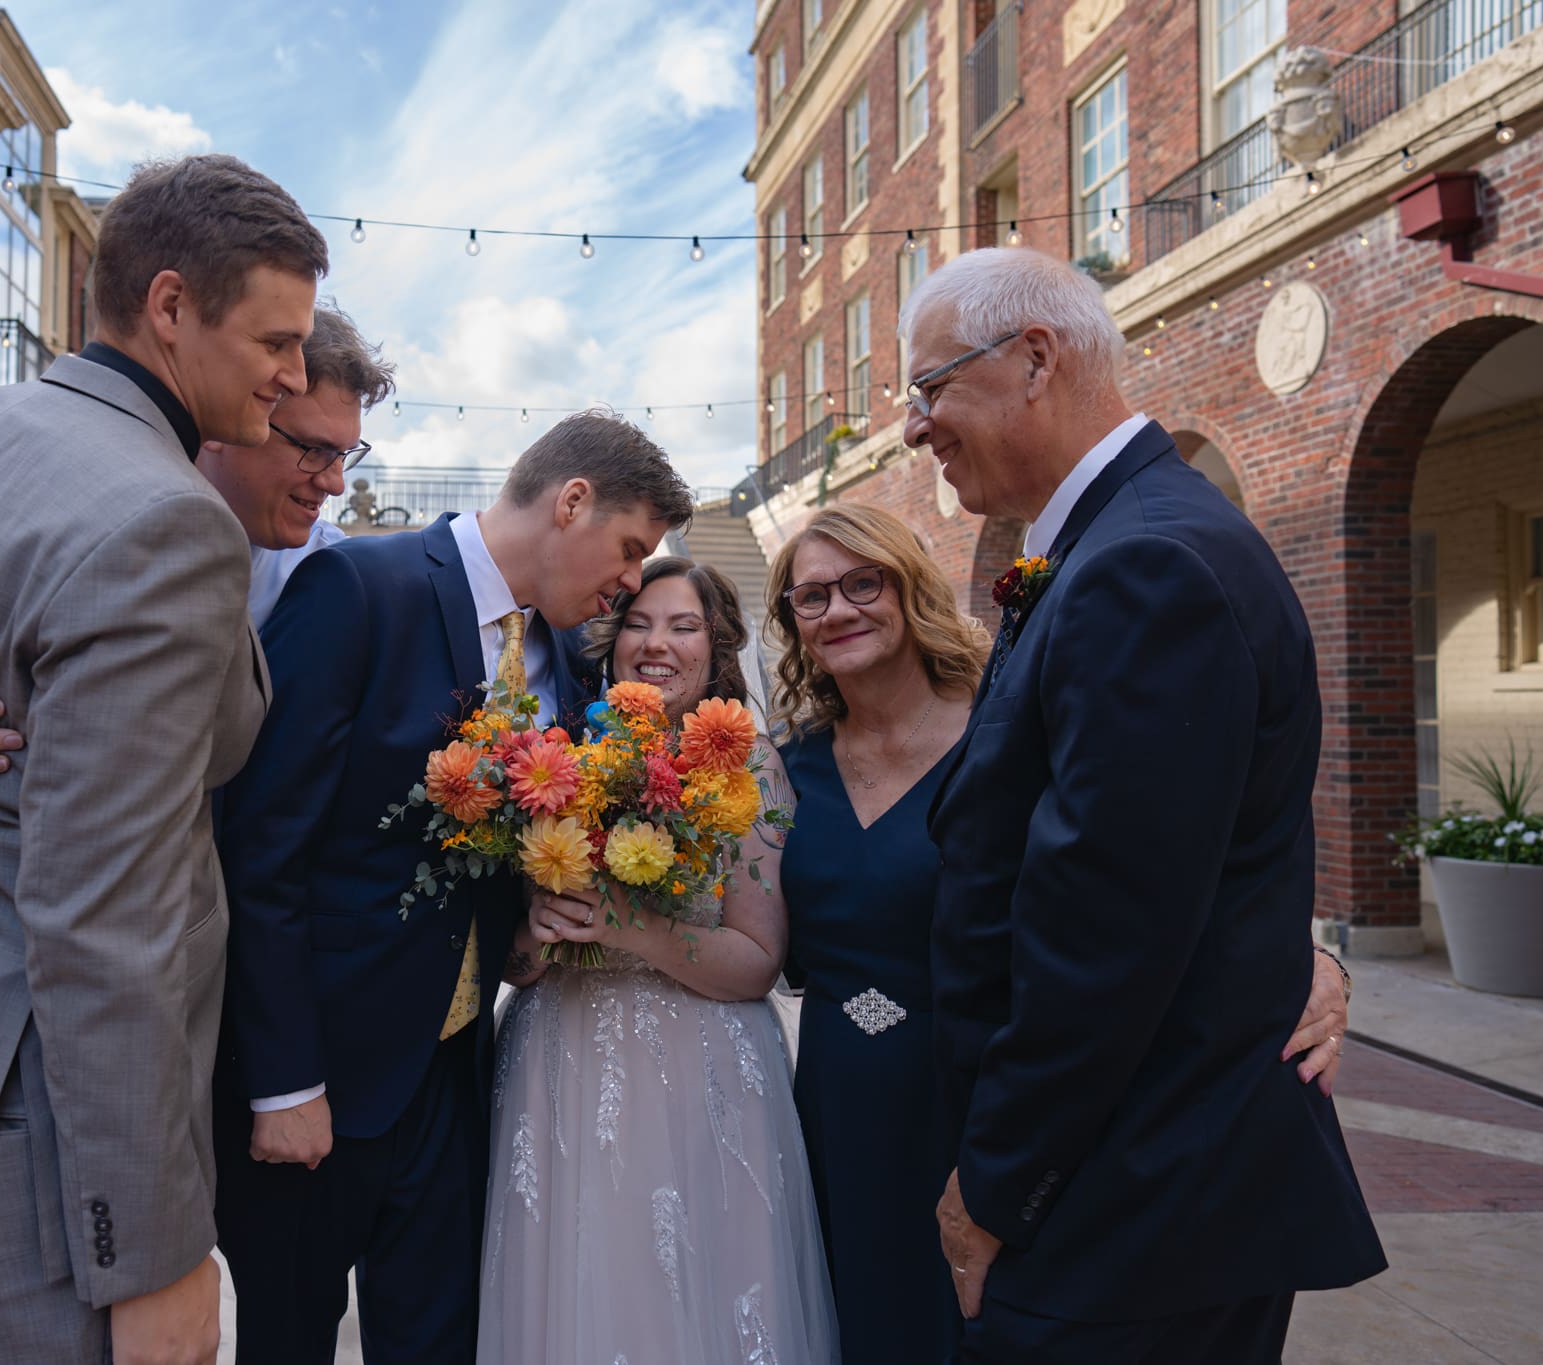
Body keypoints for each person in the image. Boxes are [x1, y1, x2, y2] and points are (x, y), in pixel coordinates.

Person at [0, 154, 327, 1365]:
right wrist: (148, 1260)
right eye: (276, 340)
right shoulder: (167, 520)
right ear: (173, 306)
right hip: (40, 1157)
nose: (295, 377)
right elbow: (103, 917)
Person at [902, 247, 1385, 1361]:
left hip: (1129, 1205)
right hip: (1131, 1196)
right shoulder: (1110, 547)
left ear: (1034, 359)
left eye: (929, 389)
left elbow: (1103, 941)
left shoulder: (1146, 566)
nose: (915, 427)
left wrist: (995, 1190)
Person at [764, 505, 1357, 1365]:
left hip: (979, 1094)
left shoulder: (1005, 729)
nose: (839, 609)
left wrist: (1310, 955)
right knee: (855, 1317)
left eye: (865, 582)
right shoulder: (786, 766)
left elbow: (1158, 865)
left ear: (911, 587)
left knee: (975, 1323)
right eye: (809, 597)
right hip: (837, 1099)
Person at [213, 411, 693, 1364]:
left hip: (458, 1080)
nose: (632, 581)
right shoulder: (357, 586)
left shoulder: (564, 660)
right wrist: (284, 1079)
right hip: (321, 1079)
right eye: (632, 548)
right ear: (572, 501)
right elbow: (262, 848)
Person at [0, 303, 391, 878]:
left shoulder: (330, 575)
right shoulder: (58, 503)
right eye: (314, 450)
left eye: (347, 454)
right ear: (240, 410)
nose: (336, 482)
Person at [489, 558, 839, 1365]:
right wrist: (538, 932)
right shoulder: (558, 756)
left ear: (716, 650)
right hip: (558, 1062)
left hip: (699, 1072)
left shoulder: (748, 769)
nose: (657, 643)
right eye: (640, 624)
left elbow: (757, 960)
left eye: (683, 626)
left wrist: (628, 925)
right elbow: (510, 959)